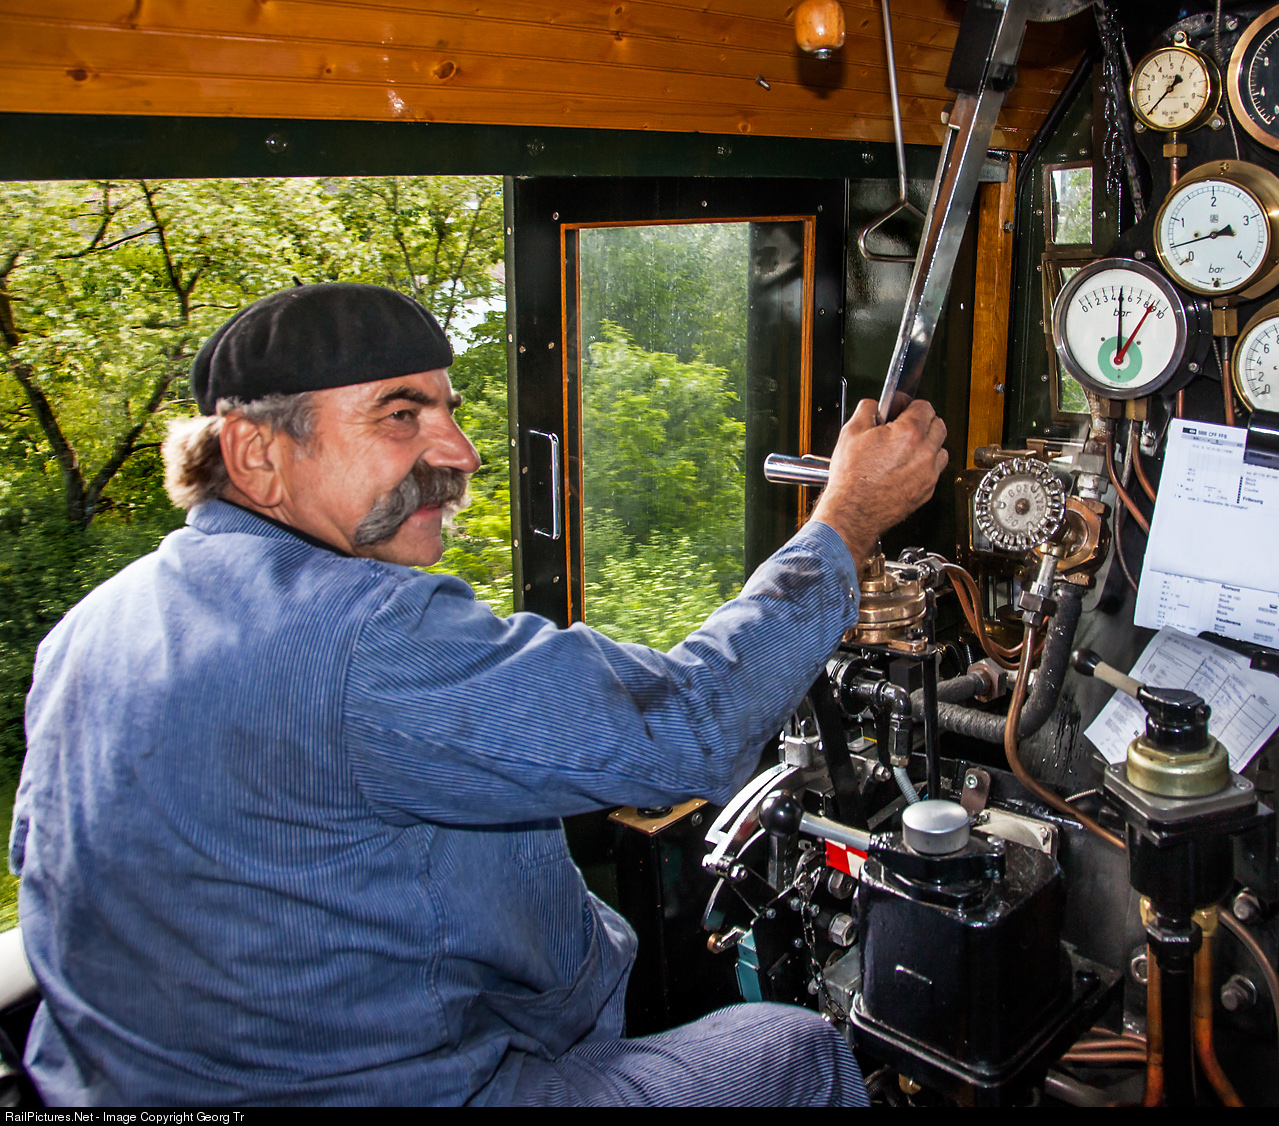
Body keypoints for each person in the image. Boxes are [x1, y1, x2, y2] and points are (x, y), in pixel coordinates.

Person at [11, 283, 948, 1106]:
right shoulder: (365, 638)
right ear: (257, 454)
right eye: (399, 416)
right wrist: (847, 517)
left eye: (450, 414)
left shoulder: (90, 625)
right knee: (789, 1049)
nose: (459, 453)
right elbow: (690, 724)